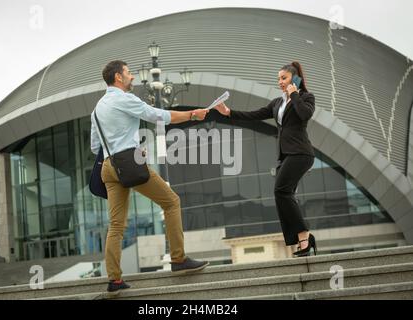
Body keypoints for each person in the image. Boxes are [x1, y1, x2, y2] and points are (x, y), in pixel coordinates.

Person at [91, 60, 209, 293]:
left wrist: (121, 148)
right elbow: (158, 115)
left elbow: (96, 146)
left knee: (116, 225)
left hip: (108, 166)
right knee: (171, 202)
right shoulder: (125, 99)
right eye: (128, 73)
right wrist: (193, 114)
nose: (132, 77)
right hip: (129, 163)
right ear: (118, 77)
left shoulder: (97, 110)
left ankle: (114, 280)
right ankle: (178, 259)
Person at [214, 61, 317, 257]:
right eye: (278, 78)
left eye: (284, 78)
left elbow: (305, 114)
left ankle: (304, 236)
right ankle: (302, 239)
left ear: (295, 79)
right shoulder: (277, 103)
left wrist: (294, 94)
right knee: (282, 195)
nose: (280, 82)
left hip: (301, 153)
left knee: (281, 191)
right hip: (286, 156)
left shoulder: (306, 97)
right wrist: (228, 113)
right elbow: (255, 115)